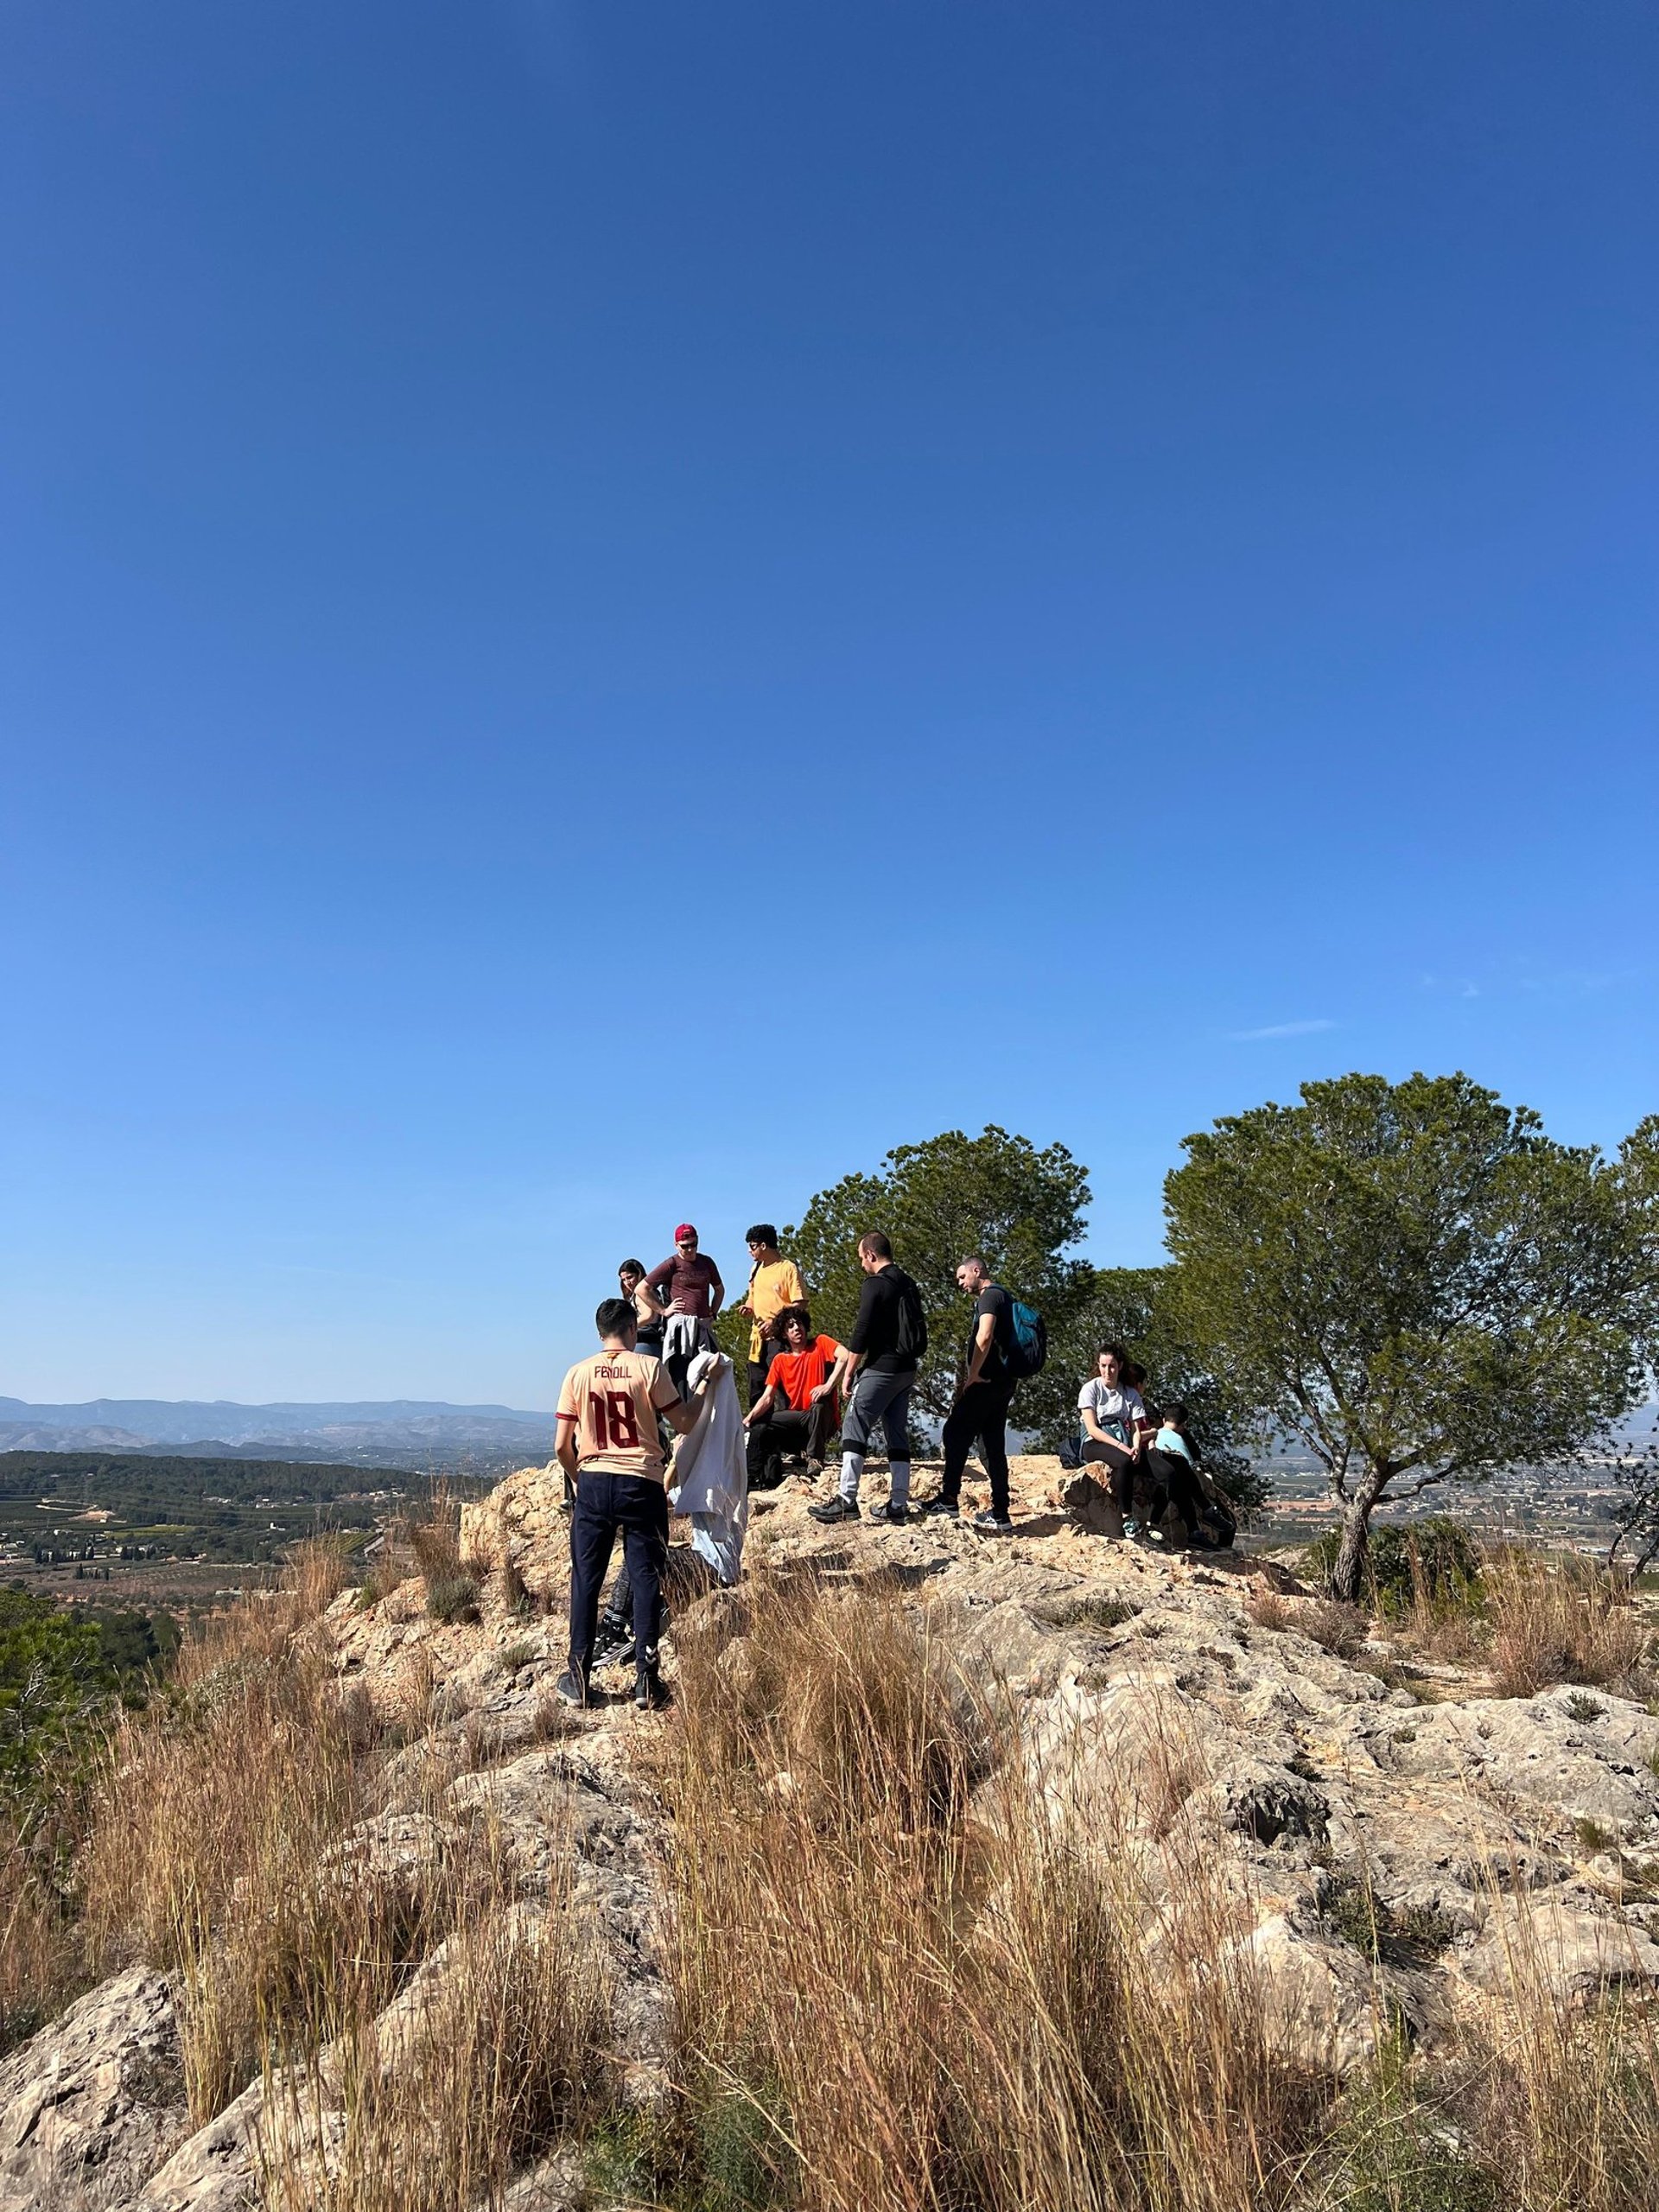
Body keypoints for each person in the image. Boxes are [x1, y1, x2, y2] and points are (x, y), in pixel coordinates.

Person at [555, 1295, 723, 1711]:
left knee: (586, 1580)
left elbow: (561, 1446)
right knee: (645, 1575)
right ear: (632, 1330)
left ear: (599, 1334)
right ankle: (646, 1681)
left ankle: (578, 1677)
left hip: (593, 1482)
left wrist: (582, 1481)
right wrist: (704, 1385)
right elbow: (683, 1421)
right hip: (642, 1482)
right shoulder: (648, 1367)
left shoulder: (576, 1374)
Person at [809, 1232, 924, 1526]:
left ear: (871, 1255)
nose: (861, 1264)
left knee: (855, 1424)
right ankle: (898, 1503)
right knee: (896, 1432)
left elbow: (862, 1332)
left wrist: (848, 1374)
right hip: (907, 1369)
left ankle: (846, 1500)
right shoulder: (908, 1283)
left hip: (881, 1368)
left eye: (862, 1257)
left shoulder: (875, 1284)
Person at [925, 1256, 1018, 1534]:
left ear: (977, 1271)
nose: (961, 1284)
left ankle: (949, 1499)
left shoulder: (989, 1297)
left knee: (954, 1432)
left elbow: (985, 1336)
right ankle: (1001, 1513)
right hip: (1003, 1383)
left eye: (962, 1277)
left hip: (987, 1382)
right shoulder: (1005, 1296)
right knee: (991, 1446)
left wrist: (972, 1374)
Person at [743, 1304, 842, 1487]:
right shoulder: (780, 1360)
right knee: (761, 1423)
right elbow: (767, 1398)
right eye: (790, 1326)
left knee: (820, 1404)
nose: (797, 1328)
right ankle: (761, 1475)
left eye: (799, 1324)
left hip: (821, 1420)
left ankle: (815, 1459)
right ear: (783, 1334)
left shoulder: (820, 1343)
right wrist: (749, 1418)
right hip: (797, 1421)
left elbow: (845, 1356)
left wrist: (828, 1385)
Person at [1076, 1342, 1149, 1538]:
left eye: (1112, 1366)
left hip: (1124, 1439)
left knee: (1165, 1470)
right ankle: (1127, 1516)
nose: (1107, 1371)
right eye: (1103, 1366)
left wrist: (1135, 1448)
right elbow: (1092, 1428)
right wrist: (1123, 1449)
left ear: (1120, 1366)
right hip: (1094, 1442)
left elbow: (1136, 1428)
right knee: (1124, 1462)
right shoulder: (1090, 1389)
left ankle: (1157, 1522)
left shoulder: (1130, 1393)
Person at [646, 1225, 725, 1397]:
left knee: (711, 1373)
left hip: (703, 1327)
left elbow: (719, 1289)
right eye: (685, 1246)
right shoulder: (672, 1264)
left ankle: (708, 1421)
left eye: (693, 1244)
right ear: (676, 1245)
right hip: (681, 1329)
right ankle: (684, 1419)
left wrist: (713, 1312)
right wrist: (664, 1310)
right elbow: (642, 1288)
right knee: (682, 1379)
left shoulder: (706, 1262)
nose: (690, 1249)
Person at [734, 1225, 806, 1407]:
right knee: (757, 1390)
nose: (749, 1251)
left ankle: (787, 1429)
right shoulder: (755, 1269)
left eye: (752, 1246)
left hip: (780, 1340)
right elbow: (753, 1296)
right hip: (757, 1340)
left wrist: (774, 1322)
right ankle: (758, 1432)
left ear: (764, 1246)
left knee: (783, 1390)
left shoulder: (787, 1268)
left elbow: (800, 1303)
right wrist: (748, 1307)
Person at [617, 1259, 666, 1363]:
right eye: (624, 1280)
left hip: (643, 1343)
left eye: (630, 1277)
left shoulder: (640, 1294)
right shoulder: (652, 1292)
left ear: (639, 1274)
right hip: (654, 1344)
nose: (627, 1283)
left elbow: (649, 1316)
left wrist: (625, 1328)